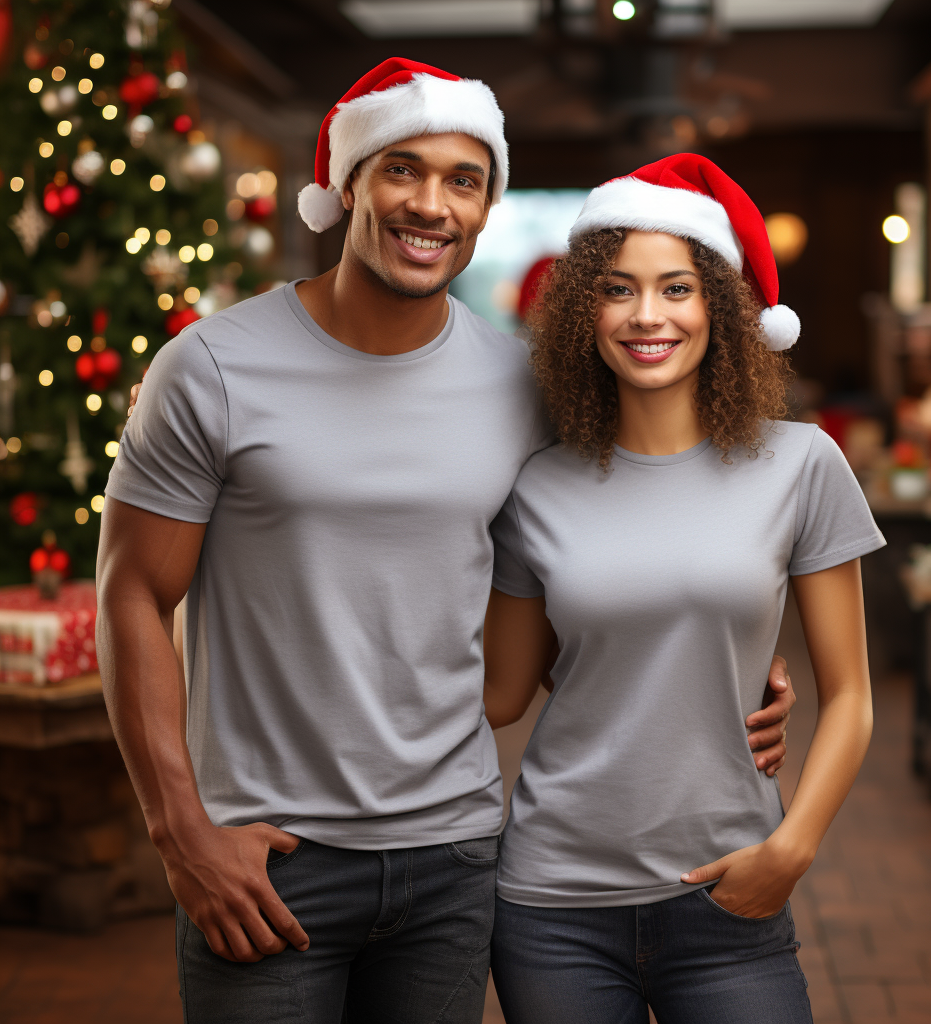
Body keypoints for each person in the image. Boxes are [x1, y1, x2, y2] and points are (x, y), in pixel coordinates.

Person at [100, 59, 794, 1023]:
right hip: (268, 860)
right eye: (402, 170)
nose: (431, 204)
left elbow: (597, 562)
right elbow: (133, 592)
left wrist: (724, 661)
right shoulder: (212, 368)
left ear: (484, 208)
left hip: (456, 862)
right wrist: (180, 833)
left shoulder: (523, 388)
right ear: (347, 185)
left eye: (464, 180)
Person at [481, 154, 883, 1024]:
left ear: (723, 310)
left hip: (730, 896)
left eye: (677, 288)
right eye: (619, 289)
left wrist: (793, 849)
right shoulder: (537, 484)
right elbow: (503, 692)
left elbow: (851, 695)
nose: (647, 315)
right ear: (586, 309)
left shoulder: (801, 464)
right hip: (553, 906)